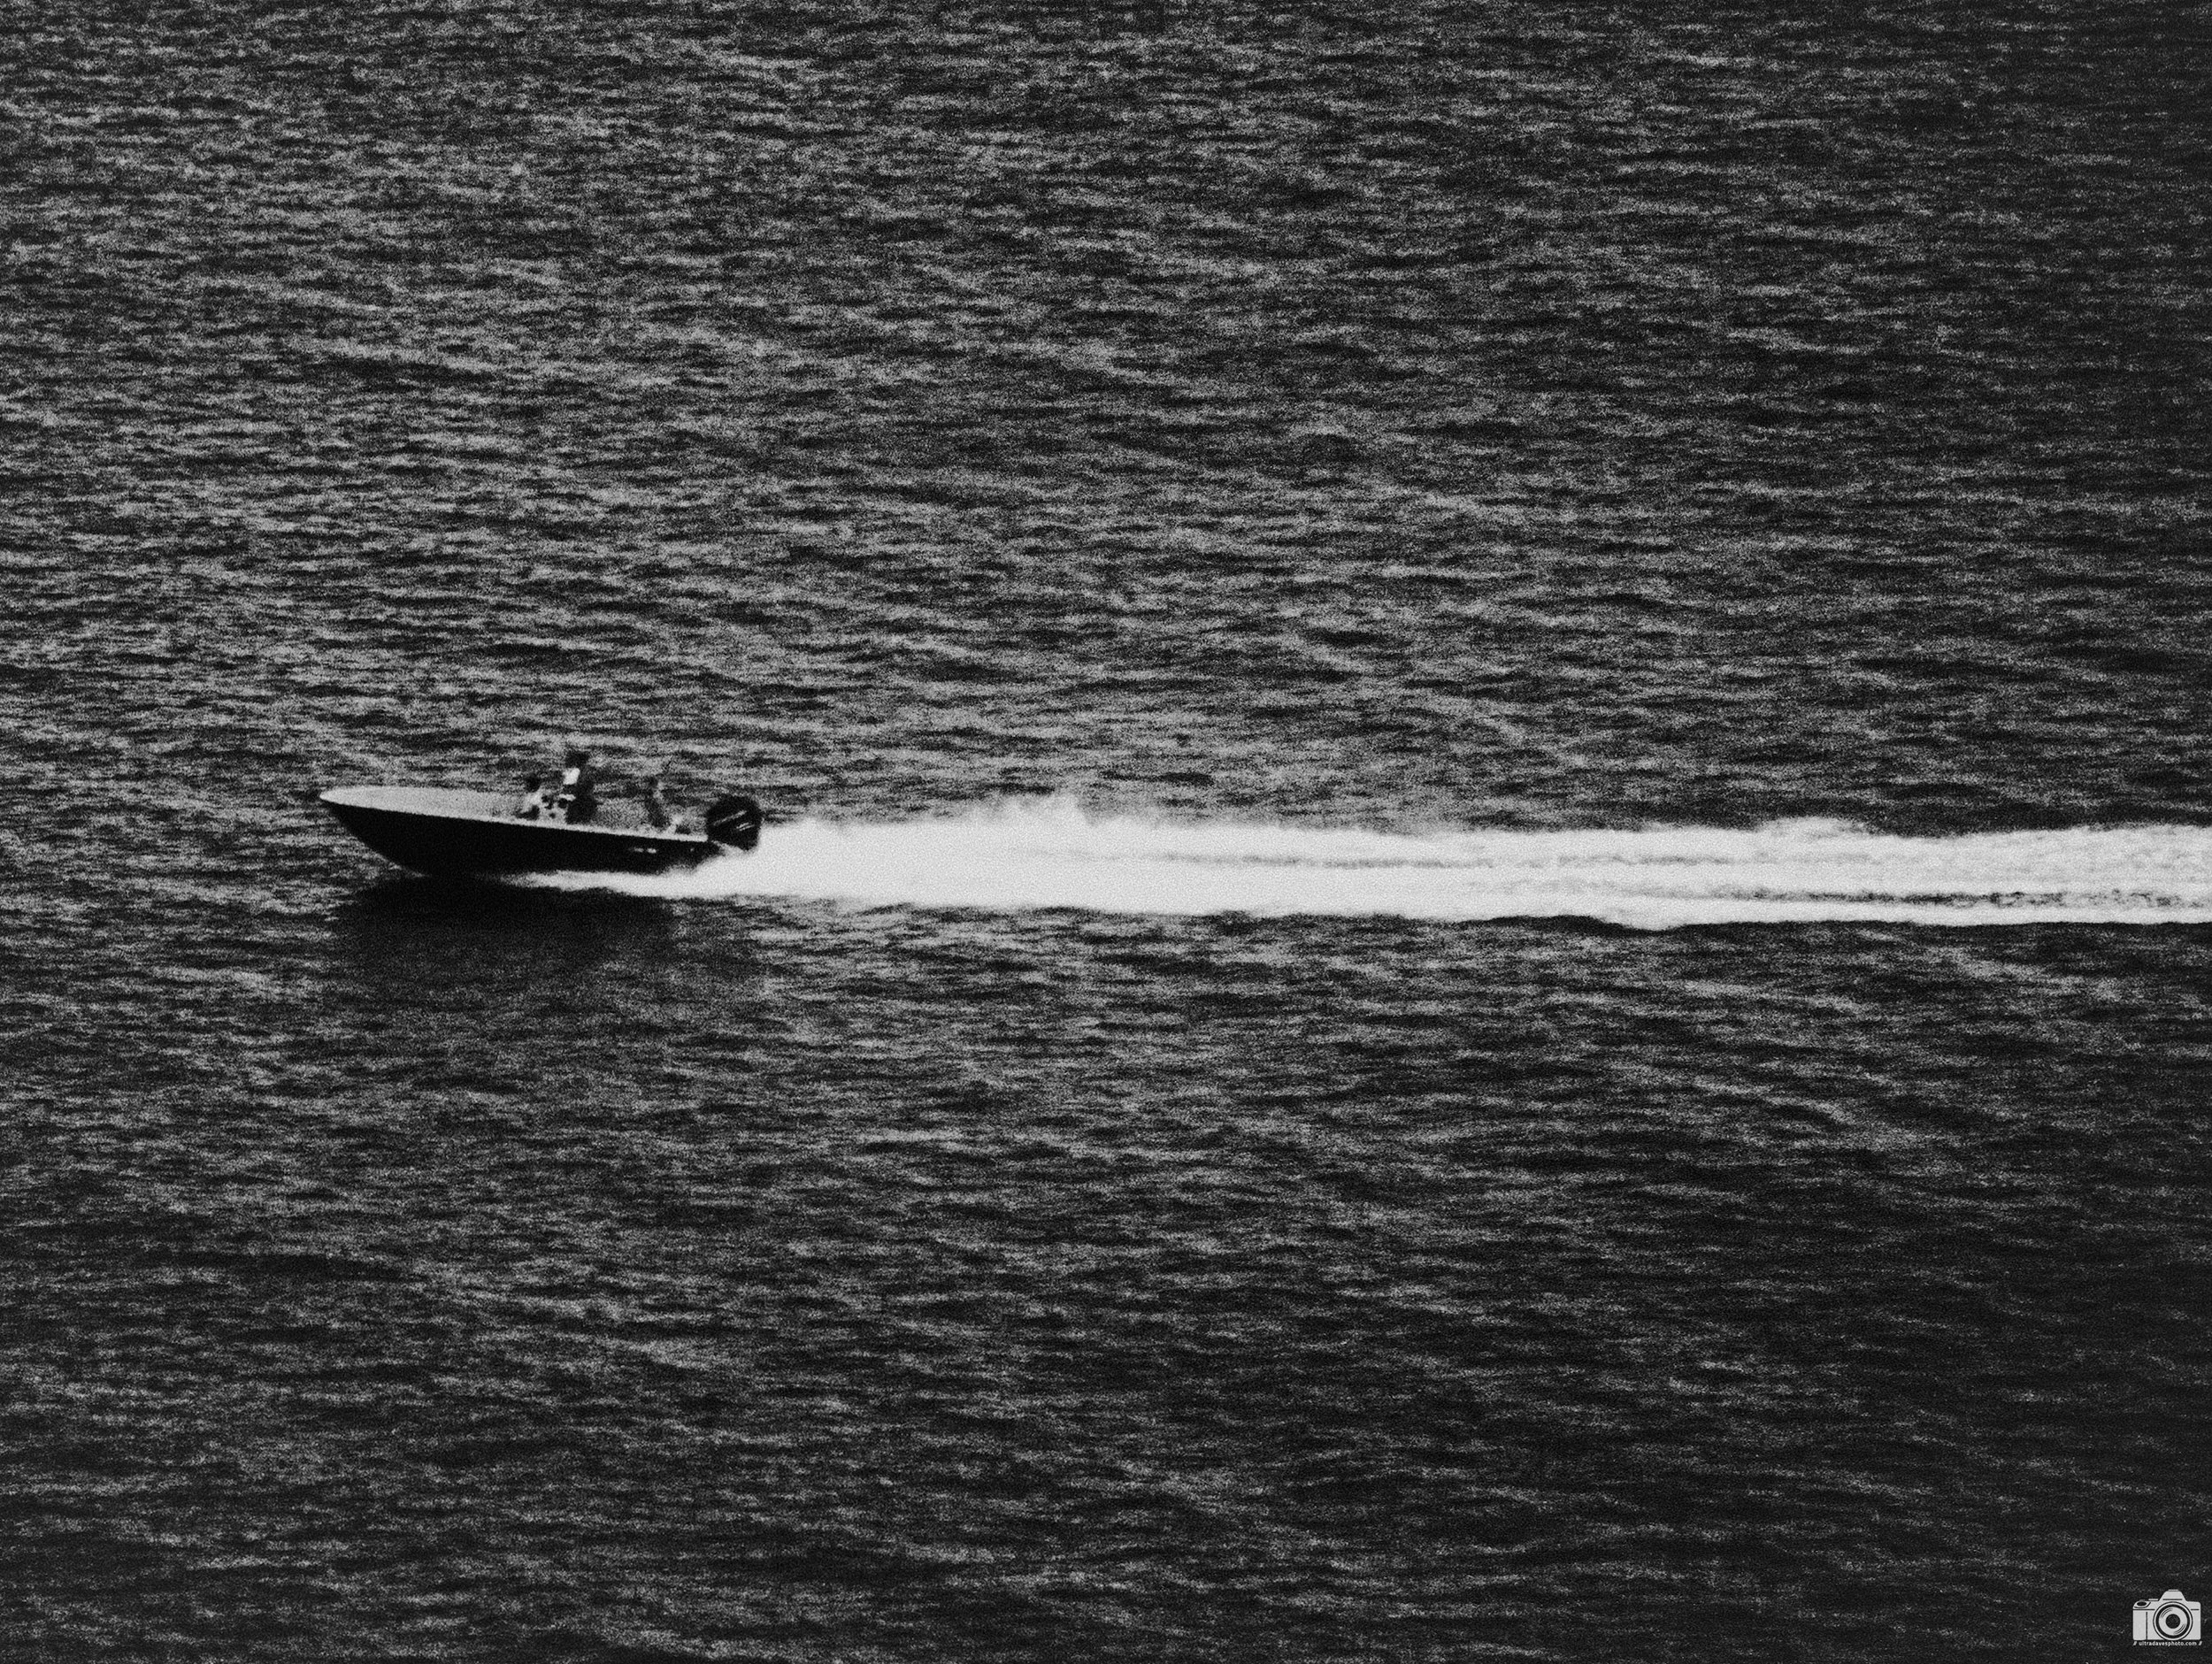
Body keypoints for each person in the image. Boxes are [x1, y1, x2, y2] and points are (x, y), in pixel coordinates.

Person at [551, 748, 598, 824]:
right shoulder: (584, 771)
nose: (576, 762)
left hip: (582, 800)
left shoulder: (582, 772)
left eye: (578, 760)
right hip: (584, 798)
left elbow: (580, 788)